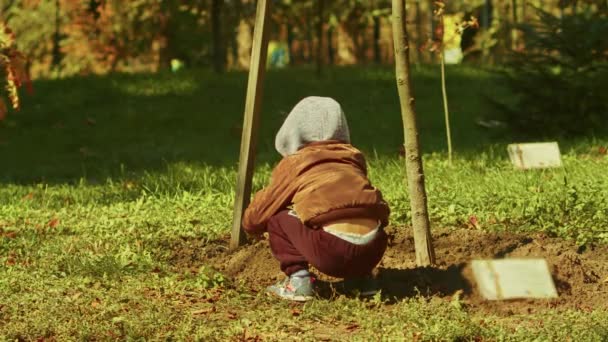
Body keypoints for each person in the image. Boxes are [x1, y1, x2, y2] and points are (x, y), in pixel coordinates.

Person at [242, 96, 390, 301]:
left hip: (331, 252)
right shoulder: (353, 157)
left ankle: (299, 281)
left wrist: (250, 226)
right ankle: (363, 281)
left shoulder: (297, 162)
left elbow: (261, 211)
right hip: (374, 248)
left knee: (278, 216)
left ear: (293, 131)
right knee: (353, 210)